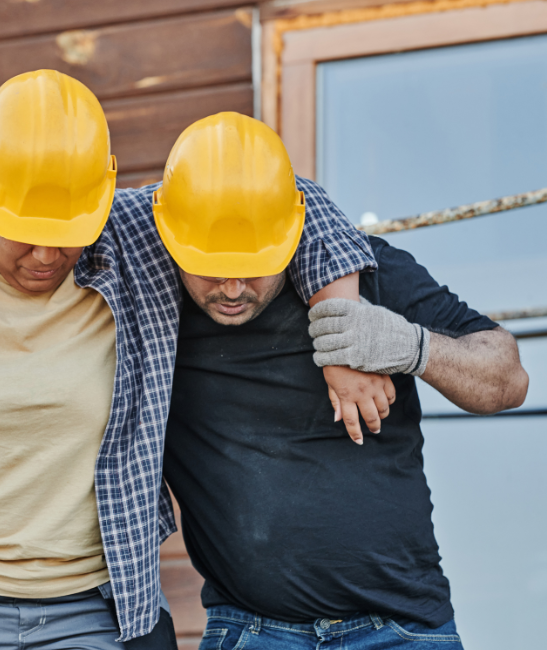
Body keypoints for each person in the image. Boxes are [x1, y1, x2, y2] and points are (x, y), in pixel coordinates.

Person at [0, 77, 378, 649]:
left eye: (69, 232)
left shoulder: (130, 238)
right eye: (23, 233)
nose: (47, 254)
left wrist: (342, 332)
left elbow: (290, 197)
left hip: (93, 609)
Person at [158, 125, 529, 647]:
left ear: (289, 234)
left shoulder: (371, 273)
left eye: (254, 266)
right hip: (252, 628)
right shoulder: (158, 310)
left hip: (401, 628)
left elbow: (508, 380)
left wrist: (412, 346)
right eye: (212, 269)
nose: (234, 289)